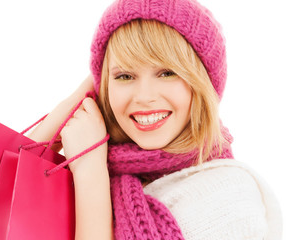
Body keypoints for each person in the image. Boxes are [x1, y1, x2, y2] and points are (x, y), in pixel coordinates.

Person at [28, 0, 282, 239]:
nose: (144, 97)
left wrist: (90, 173)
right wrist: (73, 103)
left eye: (167, 73)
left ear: (202, 82)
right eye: (125, 76)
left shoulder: (228, 196)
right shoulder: (99, 162)